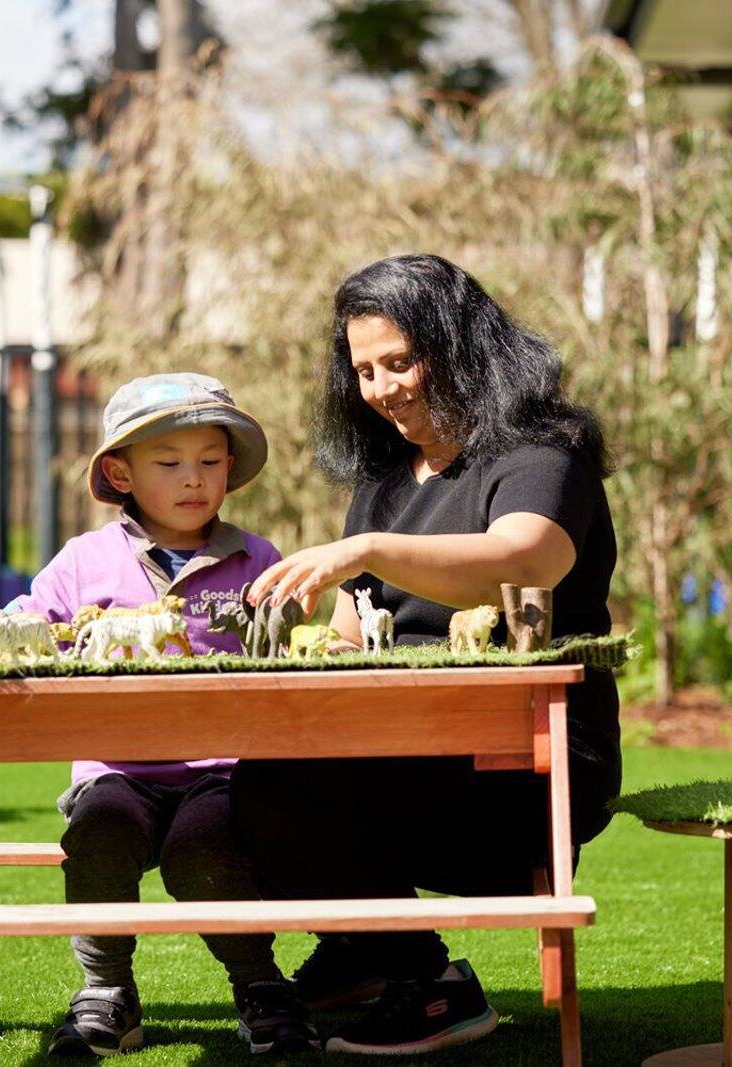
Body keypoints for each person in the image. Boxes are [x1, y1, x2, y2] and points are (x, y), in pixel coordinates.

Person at [233, 254, 621, 1055]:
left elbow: (530, 558)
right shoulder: (383, 476)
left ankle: (428, 981)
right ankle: (363, 943)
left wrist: (368, 549)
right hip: (402, 748)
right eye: (364, 370)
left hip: (523, 762)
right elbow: (351, 631)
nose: (381, 389)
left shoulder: (542, 447)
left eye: (400, 361)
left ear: (460, 343)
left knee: (283, 790)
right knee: (246, 781)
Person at [7, 372, 319, 1057]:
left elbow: (295, 645)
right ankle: (107, 988)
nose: (193, 480)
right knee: (99, 828)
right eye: (169, 463)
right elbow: (27, 625)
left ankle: (259, 981)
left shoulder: (256, 559)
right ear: (120, 471)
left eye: (210, 461)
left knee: (203, 846)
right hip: (114, 764)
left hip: (220, 769)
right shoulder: (82, 562)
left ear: (230, 467)